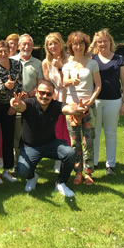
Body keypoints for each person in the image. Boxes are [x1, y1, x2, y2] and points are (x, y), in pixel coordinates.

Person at [11, 80, 86, 197]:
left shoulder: (55, 105)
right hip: (30, 147)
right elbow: (20, 106)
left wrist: (77, 109)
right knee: (23, 171)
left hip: (50, 144)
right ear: (36, 92)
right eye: (42, 92)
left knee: (70, 153)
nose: (45, 96)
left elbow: (68, 108)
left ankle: (61, 183)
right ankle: (32, 177)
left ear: (53, 95)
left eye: (48, 94)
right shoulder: (29, 103)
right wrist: (15, 104)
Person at [63, 31, 101, 185]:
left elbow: (98, 85)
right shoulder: (67, 65)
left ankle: (88, 172)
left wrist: (90, 102)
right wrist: (72, 81)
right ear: (71, 46)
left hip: (88, 107)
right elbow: (64, 83)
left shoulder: (92, 64)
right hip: (72, 108)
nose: (78, 47)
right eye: (75, 44)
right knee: (75, 142)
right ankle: (78, 172)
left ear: (85, 45)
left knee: (88, 140)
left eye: (81, 43)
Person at [90, 29, 124, 174]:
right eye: (99, 41)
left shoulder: (119, 59)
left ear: (110, 42)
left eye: (105, 41)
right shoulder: (92, 58)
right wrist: (93, 42)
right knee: (94, 132)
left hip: (114, 101)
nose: (102, 44)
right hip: (95, 100)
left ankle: (110, 165)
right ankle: (93, 162)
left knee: (110, 132)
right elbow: (81, 54)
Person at [0, 41, 23, 184]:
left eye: (5, 51)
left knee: (9, 136)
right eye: (0, 51)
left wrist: (14, 106)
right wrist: (5, 86)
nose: (3, 54)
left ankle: (8, 170)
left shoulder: (17, 65)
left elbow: (19, 85)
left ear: (10, 51)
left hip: (11, 104)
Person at [11, 34, 43, 165]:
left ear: (32, 46)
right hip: (15, 102)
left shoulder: (38, 63)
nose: (26, 46)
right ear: (19, 46)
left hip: (31, 103)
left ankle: (31, 163)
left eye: (29, 44)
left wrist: (29, 94)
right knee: (16, 135)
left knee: (31, 135)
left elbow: (40, 84)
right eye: (23, 44)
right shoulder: (11, 60)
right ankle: (16, 162)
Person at [42, 32, 70, 173]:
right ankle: (59, 160)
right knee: (58, 130)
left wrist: (60, 68)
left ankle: (72, 158)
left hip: (69, 95)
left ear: (61, 43)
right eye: (50, 44)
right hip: (55, 97)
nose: (53, 46)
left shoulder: (69, 59)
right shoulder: (46, 63)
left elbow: (69, 81)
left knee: (70, 129)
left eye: (55, 43)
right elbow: (48, 83)